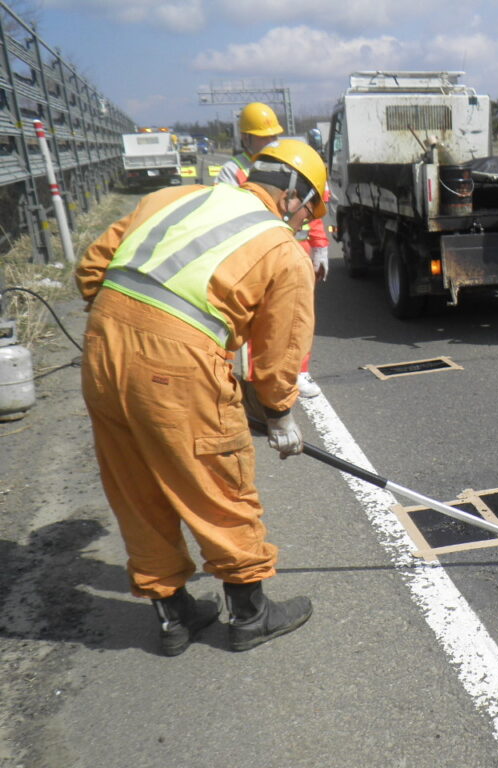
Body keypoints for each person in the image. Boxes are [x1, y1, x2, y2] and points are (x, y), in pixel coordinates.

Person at [76, 139, 328, 655]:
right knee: (216, 482)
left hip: (103, 351)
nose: (305, 222)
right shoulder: (281, 248)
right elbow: (280, 354)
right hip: (177, 368)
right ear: (293, 195)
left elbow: (91, 269)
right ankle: (249, 615)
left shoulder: (175, 197)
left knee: (136, 486)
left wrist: (123, 328)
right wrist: (279, 413)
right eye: (308, 210)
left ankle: (173, 619)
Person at [217, 102, 326, 398]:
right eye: (262, 137)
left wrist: (320, 246)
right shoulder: (233, 170)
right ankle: (259, 379)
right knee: (258, 318)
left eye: (272, 137)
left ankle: (298, 371)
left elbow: (311, 205)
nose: (269, 142)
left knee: (297, 316)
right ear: (246, 138)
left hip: (295, 248)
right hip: (257, 253)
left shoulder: (287, 162)